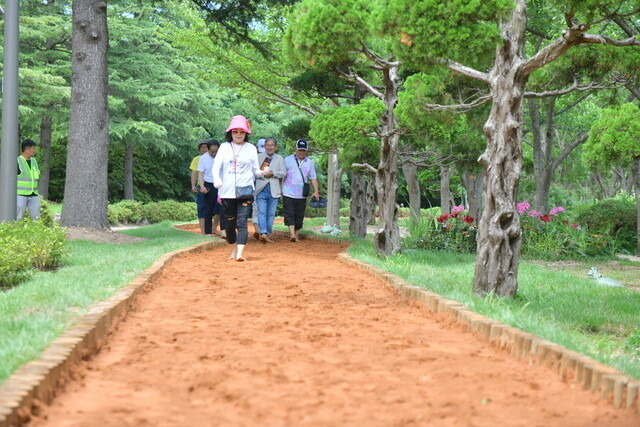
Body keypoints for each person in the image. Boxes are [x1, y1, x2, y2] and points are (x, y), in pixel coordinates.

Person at [212, 115, 265, 261]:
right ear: (230, 133)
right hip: (227, 192)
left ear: (246, 133)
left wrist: (264, 172)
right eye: (235, 131)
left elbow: (256, 170)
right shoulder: (224, 147)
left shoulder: (251, 148)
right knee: (230, 224)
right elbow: (216, 167)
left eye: (242, 132)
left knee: (242, 222)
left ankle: (240, 253)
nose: (239, 134)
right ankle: (233, 248)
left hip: (245, 191)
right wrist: (217, 179)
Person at [282, 139, 319, 242]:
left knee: (299, 215)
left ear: (306, 151)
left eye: (303, 150)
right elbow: (282, 175)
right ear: (296, 149)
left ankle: (296, 234)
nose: (301, 152)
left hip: (301, 194)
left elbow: (313, 178)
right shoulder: (288, 160)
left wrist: (316, 191)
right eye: (299, 150)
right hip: (288, 192)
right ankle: (292, 234)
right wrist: (280, 188)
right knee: (289, 213)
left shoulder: (310, 163)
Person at [254, 138, 286, 243]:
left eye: (272, 145)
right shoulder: (258, 157)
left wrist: (273, 173)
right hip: (261, 188)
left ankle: (266, 233)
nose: (269, 147)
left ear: (275, 147)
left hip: (274, 188)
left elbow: (283, 173)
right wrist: (263, 173)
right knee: (261, 211)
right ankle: (263, 232)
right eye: (267, 145)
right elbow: (254, 171)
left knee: (271, 213)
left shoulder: (280, 158)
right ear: (264, 146)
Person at [197, 140, 226, 236]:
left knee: (223, 208)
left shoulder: (223, 156)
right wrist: (202, 186)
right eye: (212, 151)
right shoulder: (203, 158)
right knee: (208, 209)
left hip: (222, 185)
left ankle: (223, 230)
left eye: (216, 151)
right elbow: (200, 173)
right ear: (208, 150)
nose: (214, 153)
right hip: (209, 184)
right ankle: (208, 232)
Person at [16, 139, 41, 220]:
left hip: (34, 194)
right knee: (18, 217)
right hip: (20, 194)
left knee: (36, 218)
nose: (34, 150)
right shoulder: (18, 161)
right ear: (27, 149)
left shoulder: (34, 161)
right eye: (33, 148)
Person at [190, 140, 209, 234]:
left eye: (206, 146)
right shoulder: (197, 159)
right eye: (202, 147)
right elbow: (194, 173)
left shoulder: (215, 158)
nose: (204, 149)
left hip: (213, 185)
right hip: (201, 186)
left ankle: (213, 228)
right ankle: (203, 231)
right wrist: (193, 185)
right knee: (202, 207)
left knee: (216, 208)